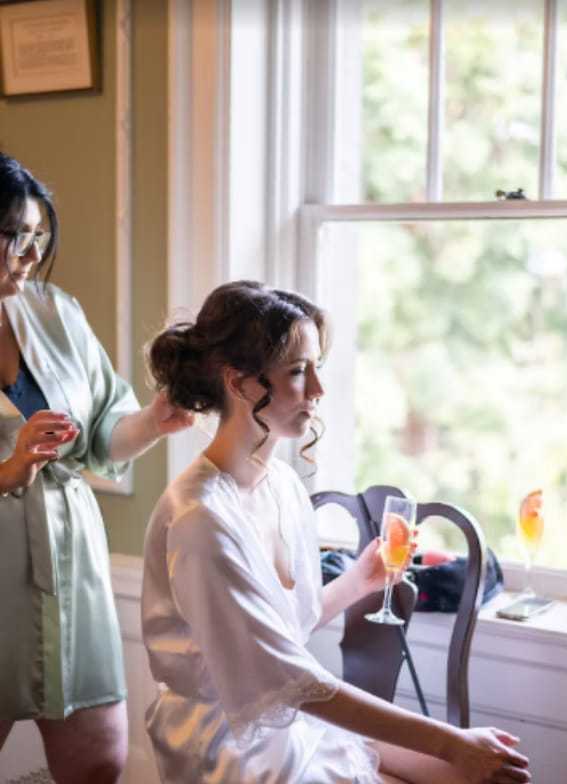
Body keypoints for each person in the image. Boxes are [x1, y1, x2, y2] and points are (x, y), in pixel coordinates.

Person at [142, 280, 532, 784]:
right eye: (298, 371)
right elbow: (284, 675)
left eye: (316, 368)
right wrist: (450, 741)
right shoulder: (200, 519)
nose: (318, 390)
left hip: (292, 725)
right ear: (239, 383)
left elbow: (282, 632)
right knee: (458, 761)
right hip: (228, 749)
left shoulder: (281, 484)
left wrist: (361, 580)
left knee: (490, 776)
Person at [0, 152, 193, 784]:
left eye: (37, 235)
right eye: (13, 235)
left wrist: (154, 420)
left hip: (69, 563)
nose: (31, 255)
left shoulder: (56, 312)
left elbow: (104, 431)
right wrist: (9, 469)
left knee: (99, 762)